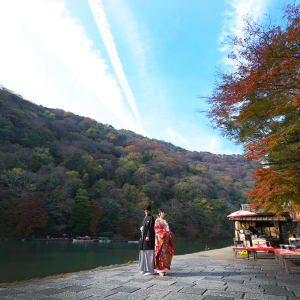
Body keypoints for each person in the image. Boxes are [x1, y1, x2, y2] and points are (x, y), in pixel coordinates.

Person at [154, 208, 174, 276]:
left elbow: (168, 230)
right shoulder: (157, 220)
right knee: (160, 254)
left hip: (166, 240)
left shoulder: (165, 221)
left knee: (166, 254)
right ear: (159, 214)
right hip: (160, 240)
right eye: (162, 212)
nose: (164, 213)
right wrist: (164, 234)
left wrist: (169, 233)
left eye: (164, 212)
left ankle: (164, 269)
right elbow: (157, 230)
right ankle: (160, 270)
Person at [139, 205, 155, 276]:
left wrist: (148, 235)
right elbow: (144, 227)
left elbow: (151, 228)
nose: (146, 211)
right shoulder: (145, 218)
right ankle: (144, 269)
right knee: (143, 253)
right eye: (145, 210)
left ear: (149, 211)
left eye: (147, 210)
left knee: (149, 254)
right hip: (143, 238)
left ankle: (150, 270)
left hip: (149, 238)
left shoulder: (151, 218)